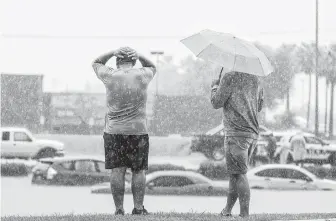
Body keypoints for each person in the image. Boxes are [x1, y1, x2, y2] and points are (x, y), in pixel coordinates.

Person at [92, 47, 156, 216]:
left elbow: (96, 62)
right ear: (134, 62)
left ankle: (119, 209)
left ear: (117, 62)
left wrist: (111, 52)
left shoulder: (110, 75)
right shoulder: (143, 75)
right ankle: (139, 208)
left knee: (117, 170)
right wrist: (140, 55)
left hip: (114, 132)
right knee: (138, 170)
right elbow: (152, 66)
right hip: (138, 131)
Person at [210, 69, 264, 218]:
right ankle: (227, 210)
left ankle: (244, 215)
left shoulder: (229, 77)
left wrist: (215, 86)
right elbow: (259, 106)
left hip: (236, 132)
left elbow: (216, 102)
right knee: (235, 174)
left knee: (239, 174)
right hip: (252, 133)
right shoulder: (256, 78)